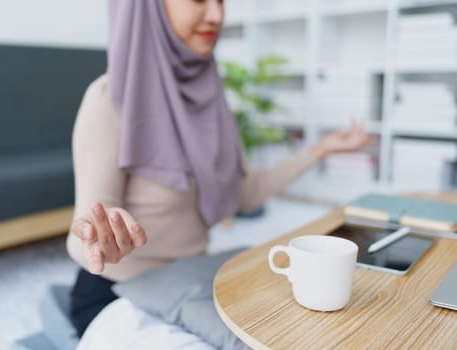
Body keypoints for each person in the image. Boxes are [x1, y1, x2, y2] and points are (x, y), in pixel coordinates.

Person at [67, 0, 374, 337]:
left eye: (221, 0)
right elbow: (88, 224)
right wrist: (102, 236)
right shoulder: (108, 98)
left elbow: (245, 194)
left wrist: (320, 149)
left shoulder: (211, 100)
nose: (217, 14)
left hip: (191, 279)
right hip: (119, 294)